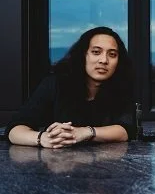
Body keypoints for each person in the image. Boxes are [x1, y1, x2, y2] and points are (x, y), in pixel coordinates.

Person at [6, 27, 134, 148]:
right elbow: (14, 130)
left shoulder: (121, 87)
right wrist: (44, 138)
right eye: (96, 52)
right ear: (83, 55)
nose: (104, 60)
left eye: (112, 54)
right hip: (56, 160)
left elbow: (125, 131)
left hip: (106, 161)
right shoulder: (55, 83)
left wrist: (85, 132)